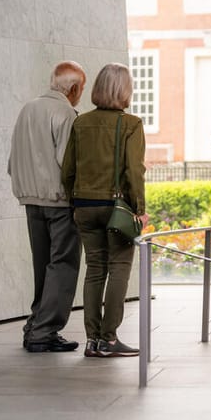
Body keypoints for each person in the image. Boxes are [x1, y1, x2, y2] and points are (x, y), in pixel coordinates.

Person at [61, 63, 148, 358]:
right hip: (116, 208)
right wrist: (140, 208)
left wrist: (75, 200)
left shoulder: (81, 122)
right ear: (124, 90)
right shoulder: (132, 124)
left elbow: (68, 170)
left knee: (94, 270)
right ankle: (109, 339)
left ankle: (91, 341)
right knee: (119, 268)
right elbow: (133, 171)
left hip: (84, 206)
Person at [9, 61, 87, 353]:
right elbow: (68, 164)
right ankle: (44, 332)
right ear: (75, 88)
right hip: (58, 201)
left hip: (30, 199)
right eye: (82, 88)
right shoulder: (65, 112)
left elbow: (14, 155)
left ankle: (34, 326)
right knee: (63, 265)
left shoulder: (28, 108)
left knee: (43, 265)